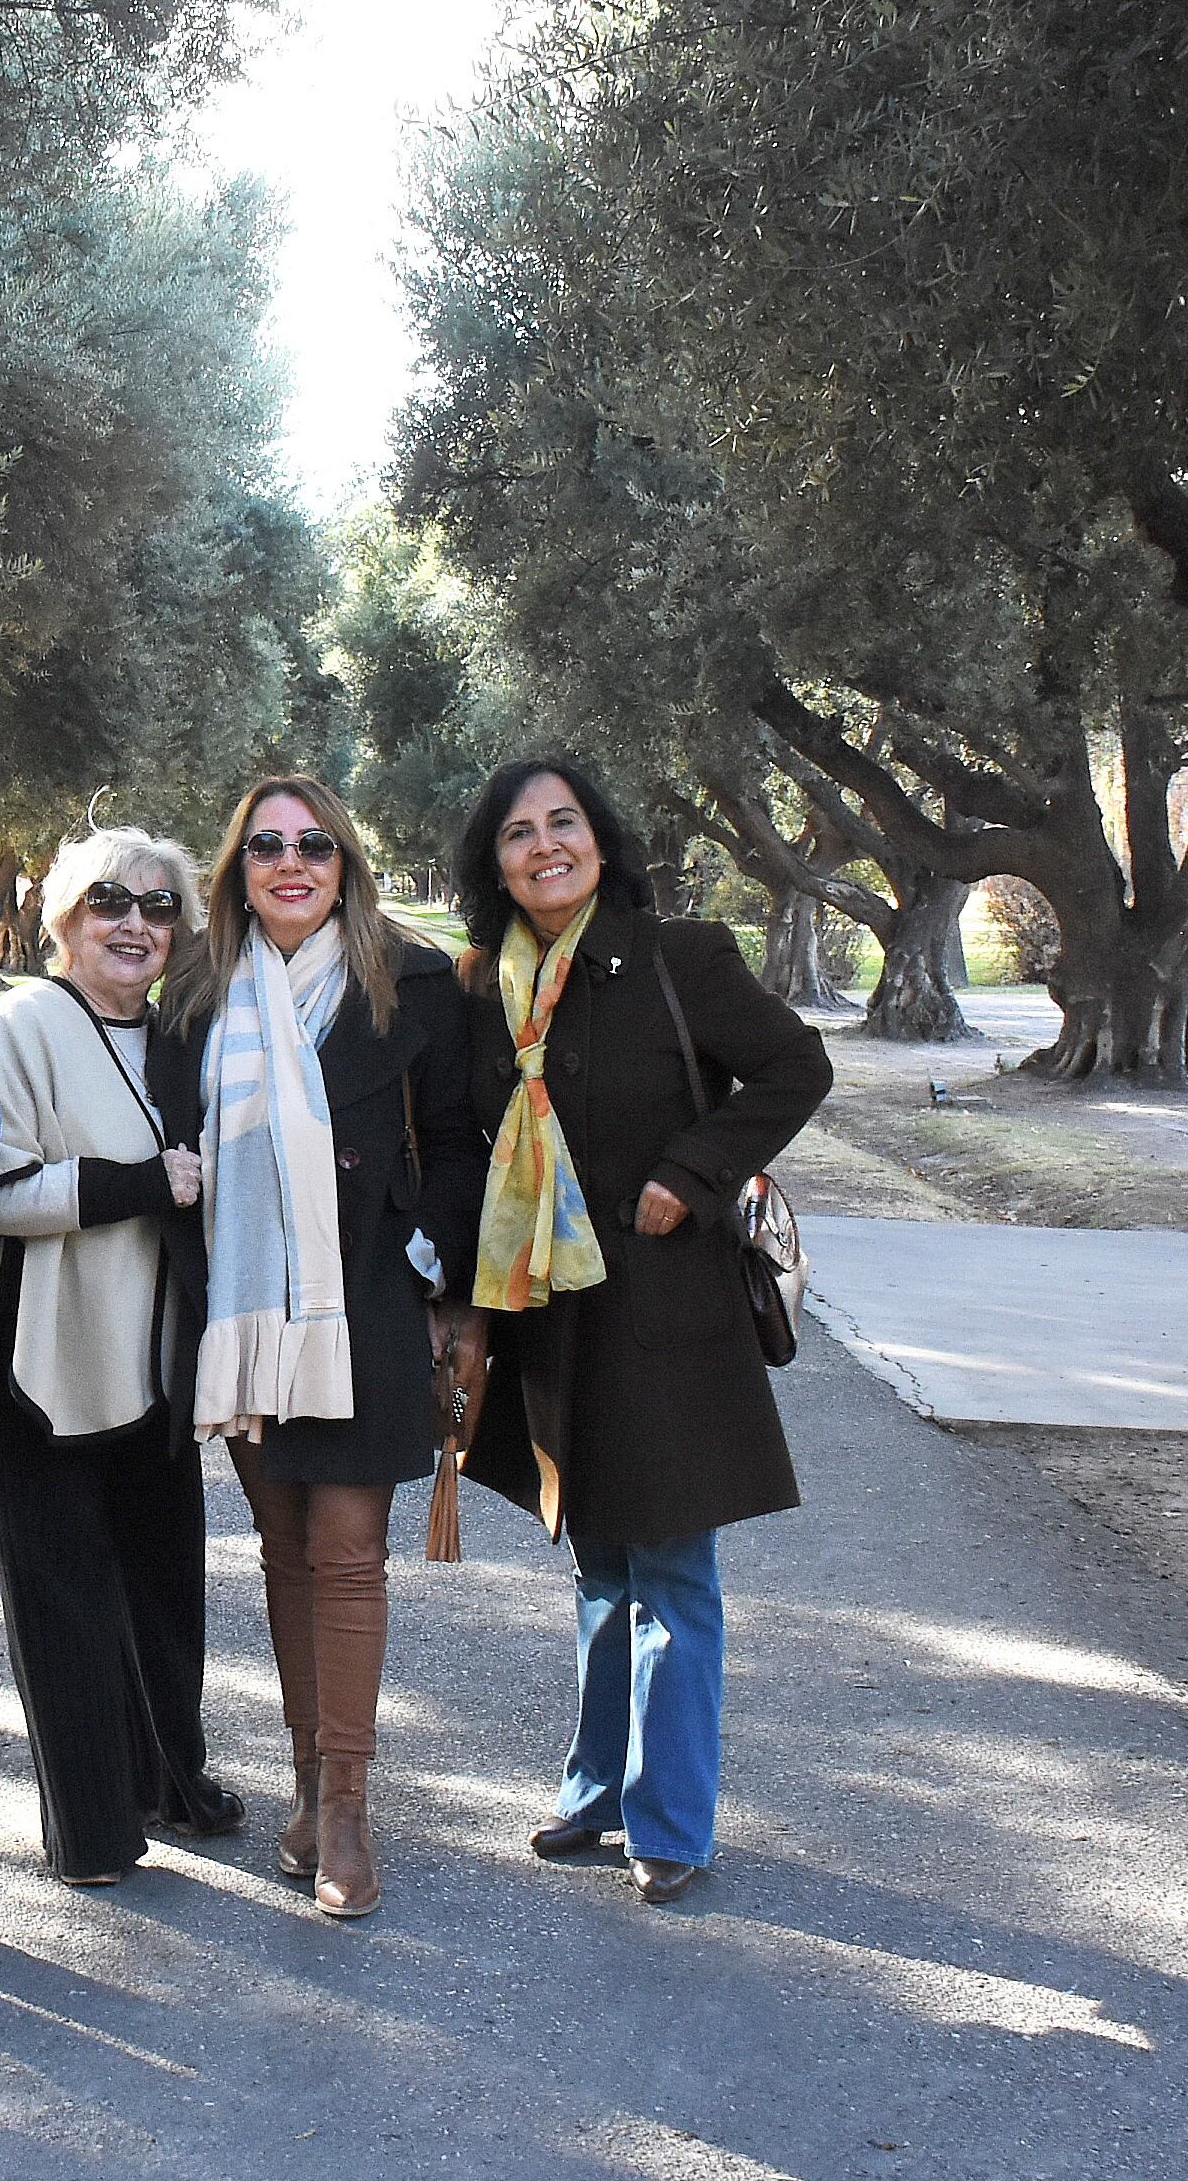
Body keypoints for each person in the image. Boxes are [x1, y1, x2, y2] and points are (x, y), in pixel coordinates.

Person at [447, 755, 832, 1906]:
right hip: (552, 1315)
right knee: (599, 1557)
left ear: (599, 841)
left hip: (667, 1313)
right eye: (518, 831)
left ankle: (669, 1817)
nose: (543, 845)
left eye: (562, 822)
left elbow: (793, 1065)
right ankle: (596, 1788)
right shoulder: (482, 985)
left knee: (668, 1562)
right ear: (494, 862)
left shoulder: (678, 959)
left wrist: (692, 1169)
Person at [152, 773, 485, 1923]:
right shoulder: (193, 993)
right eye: (264, 846)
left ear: (345, 861)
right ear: (235, 870)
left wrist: (435, 1274)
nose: (289, 862)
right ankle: (303, 1780)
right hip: (240, 1314)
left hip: (368, 1305)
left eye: (313, 845)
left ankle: (345, 1804)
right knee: (284, 1546)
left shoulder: (416, 983)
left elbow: (456, 1142)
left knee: (345, 1549)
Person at [0, 828, 242, 1886]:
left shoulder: (175, 1038)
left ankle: (172, 1775)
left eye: (157, 907)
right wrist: (138, 1184)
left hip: (152, 1360)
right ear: (62, 916)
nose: (132, 923)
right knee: (63, 1604)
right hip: (34, 1365)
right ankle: (90, 1832)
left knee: (165, 1589)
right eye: (107, 901)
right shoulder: (20, 1022)